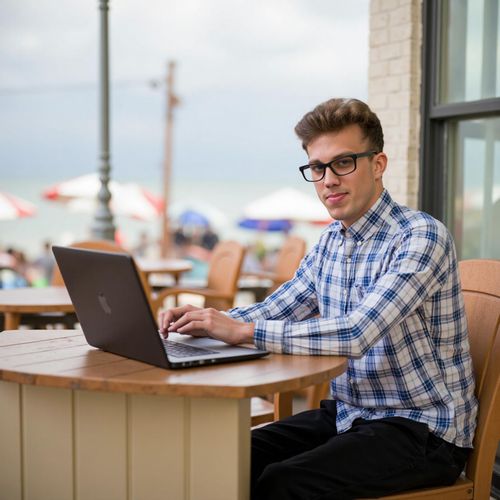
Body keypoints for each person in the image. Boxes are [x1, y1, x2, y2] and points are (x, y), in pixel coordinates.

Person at [159, 98, 478, 499]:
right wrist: (206, 319)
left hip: (423, 429)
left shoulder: (420, 236)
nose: (328, 179)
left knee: (283, 482)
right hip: (350, 413)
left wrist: (242, 331)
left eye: (343, 162)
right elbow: (277, 306)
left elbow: (356, 333)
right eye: (317, 167)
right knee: (225, 456)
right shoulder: (331, 240)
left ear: (378, 165)